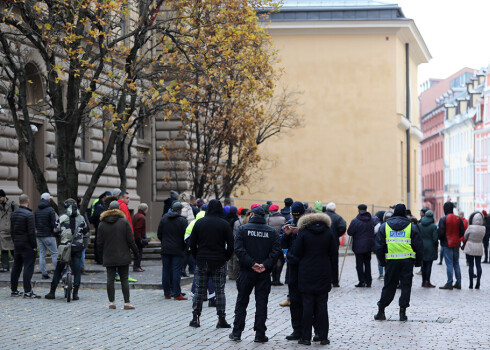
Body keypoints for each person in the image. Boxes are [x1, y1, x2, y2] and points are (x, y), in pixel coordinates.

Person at [229, 206, 281, 343]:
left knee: (241, 302)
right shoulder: (272, 232)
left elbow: (239, 249)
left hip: (247, 271)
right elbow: (276, 252)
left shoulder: (243, 229)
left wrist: (251, 264)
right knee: (262, 303)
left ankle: (237, 332)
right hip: (264, 273)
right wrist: (265, 265)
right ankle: (260, 334)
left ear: (252, 215)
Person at [290, 212, 336, 346]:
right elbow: (333, 253)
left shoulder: (304, 232)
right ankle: (323, 337)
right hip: (323, 272)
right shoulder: (328, 232)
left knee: (307, 305)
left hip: (306, 272)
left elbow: (297, 251)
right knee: (322, 305)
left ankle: (305, 337)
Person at [374, 203, 423, 321]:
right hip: (407, 261)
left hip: (391, 261)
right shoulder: (412, 226)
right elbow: (419, 246)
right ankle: (402, 312)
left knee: (389, 285)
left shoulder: (385, 226)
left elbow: (379, 246)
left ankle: (381, 310)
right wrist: (418, 262)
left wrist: (382, 261)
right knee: (406, 286)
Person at [189, 199, 234, 328]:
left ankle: (195, 318)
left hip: (202, 260)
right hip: (219, 260)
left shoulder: (199, 223)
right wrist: (225, 257)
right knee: (220, 290)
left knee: (199, 290)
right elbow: (231, 244)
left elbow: (192, 243)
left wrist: (197, 256)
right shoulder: (224, 224)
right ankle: (221, 319)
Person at [97, 201, 139, 309]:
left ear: (109, 209)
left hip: (108, 255)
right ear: (119, 209)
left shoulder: (102, 223)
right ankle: (127, 303)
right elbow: (130, 240)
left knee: (110, 279)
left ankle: (112, 302)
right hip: (123, 255)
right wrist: (136, 252)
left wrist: (101, 255)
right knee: (124, 279)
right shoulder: (124, 222)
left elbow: (99, 242)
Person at [45, 199, 89, 300]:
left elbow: (55, 230)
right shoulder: (81, 218)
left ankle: (52, 292)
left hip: (65, 247)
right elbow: (86, 233)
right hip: (78, 247)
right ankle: (75, 293)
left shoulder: (61, 217)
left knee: (58, 270)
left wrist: (61, 235)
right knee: (77, 270)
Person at [282, 201, 306, 340]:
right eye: (294, 215)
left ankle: (308, 329)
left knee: (307, 300)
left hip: (306, 266)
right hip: (293, 266)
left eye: (298, 215)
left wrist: (300, 232)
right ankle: (296, 329)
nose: (296, 218)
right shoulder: (290, 223)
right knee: (294, 299)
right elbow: (283, 244)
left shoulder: (308, 225)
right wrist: (286, 234)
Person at [9, 194, 40, 298]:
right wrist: (34, 245)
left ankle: (14, 290)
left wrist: (15, 241)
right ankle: (28, 291)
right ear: (28, 201)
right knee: (28, 267)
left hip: (17, 243)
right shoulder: (29, 214)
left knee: (16, 267)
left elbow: (12, 230)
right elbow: (31, 232)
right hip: (27, 245)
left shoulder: (14, 214)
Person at [157, 201, 188, 300]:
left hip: (165, 249)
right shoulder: (182, 221)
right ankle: (177, 293)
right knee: (176, 271)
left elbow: (159, 234)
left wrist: (164, 242)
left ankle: (167, 293)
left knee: (165, 270)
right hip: (178, 249)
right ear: (180, 210)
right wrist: (184, 247)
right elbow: (185, 236)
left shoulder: (164, 218)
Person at [438, 201, 465, 290]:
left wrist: (441, 239)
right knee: (456, 263)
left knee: (449, 264)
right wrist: (457, 237)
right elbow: (462, 231)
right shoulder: (458, 218)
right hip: (456, 243)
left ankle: (449, 283)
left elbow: (441, 233)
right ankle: (458, 282)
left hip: (447, 243)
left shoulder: (443, 219)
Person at [347, 204, 375, 288]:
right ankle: (369, 281)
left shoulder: (355, 220)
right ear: (366, 209)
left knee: (359, 265)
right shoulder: (371, 220)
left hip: (358, 246)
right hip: (369, 245)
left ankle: (362, 281)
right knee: (367, 264)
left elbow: (349, 232)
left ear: (358, 210)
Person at [34, 193, 57, 279]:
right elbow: (53, 224)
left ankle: (44, 273)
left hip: (40, 235)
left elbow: (36, 223)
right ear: (48, 200)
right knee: (54, 254)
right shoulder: (51, 210)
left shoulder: (37, 210)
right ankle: (57, 273)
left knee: (42, 254)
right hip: (49, 235)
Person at [325, 202, 347, 287]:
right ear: (334, 209)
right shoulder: (338, 218)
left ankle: (324, 279)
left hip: (321, 242)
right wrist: (336, 234)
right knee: (334, 262)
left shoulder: (321, 216)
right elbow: (343, 227)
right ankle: (334, 281)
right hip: (333, 242)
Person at [463, 212, 485, 289]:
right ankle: (478, 281)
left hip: (470, 247)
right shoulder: (483, 228)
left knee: (471, 265)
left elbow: (465, 236)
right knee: (478, 265)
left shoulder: (470, 227)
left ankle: (471, 283)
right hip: (479, 246)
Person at [89, 191, 111, 264]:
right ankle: (99, 259)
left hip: (102, 225)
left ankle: (101, 258)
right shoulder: (98, 203)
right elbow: (96, 214)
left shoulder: (103, 204)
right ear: (103, 197)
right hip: (99, 225)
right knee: (98, 242)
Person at [267, 204, 287, 286]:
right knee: (280, 260)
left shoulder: (268, 219)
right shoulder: (282, 219)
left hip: (270, 242)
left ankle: (273, 279)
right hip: (280, 242)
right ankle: (277, 279)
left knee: (272, 259)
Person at [417, 210, 438, 288]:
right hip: (430, 247)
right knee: (429, 265)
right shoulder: (433, 226)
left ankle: (423, 282)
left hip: (421, 246)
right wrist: (436, 245)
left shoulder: (419, 225)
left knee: (423, 264)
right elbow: (435, 239)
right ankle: (427, 281)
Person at [0, 189, 18, 272]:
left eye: (0, 197)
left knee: (13, 249)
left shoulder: (13, 204)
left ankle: (18, 265)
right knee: (4, 250)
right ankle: (5, 267)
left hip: (12, 230)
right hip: (2, 230)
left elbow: (18, 216)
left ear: (4, 197)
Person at [225, 206, 242, 281]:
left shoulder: (225, 219)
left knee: (229, 259)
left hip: (227, 241)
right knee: (235, 258)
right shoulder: (237, 220)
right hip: (234, 240)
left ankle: (230, 274)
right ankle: (235, 274)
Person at [132, 203, 148, 272]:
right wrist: (139, 239)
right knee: (139, 252)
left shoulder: (136, 215)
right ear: (145, 209)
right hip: (138, 238)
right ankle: (136, 266)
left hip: (136, 237)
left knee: (137, 252)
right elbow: (138, 229)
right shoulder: (141, 217)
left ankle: (137, 266)